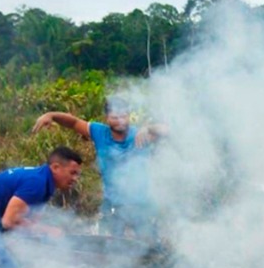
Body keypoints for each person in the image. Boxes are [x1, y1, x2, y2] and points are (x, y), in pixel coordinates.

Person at [31, 98, 165, 241]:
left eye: (124, 116)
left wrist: (149, 128)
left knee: (149, 246)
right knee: (109, 245)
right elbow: (74, 122)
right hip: (112, 204)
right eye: (115, 117)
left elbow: (171, 131)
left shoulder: (141, 134)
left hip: (140, 204)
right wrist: (51, 115)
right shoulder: (99, 132)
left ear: (129, 115)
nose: (120, 121)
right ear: (107, 118)